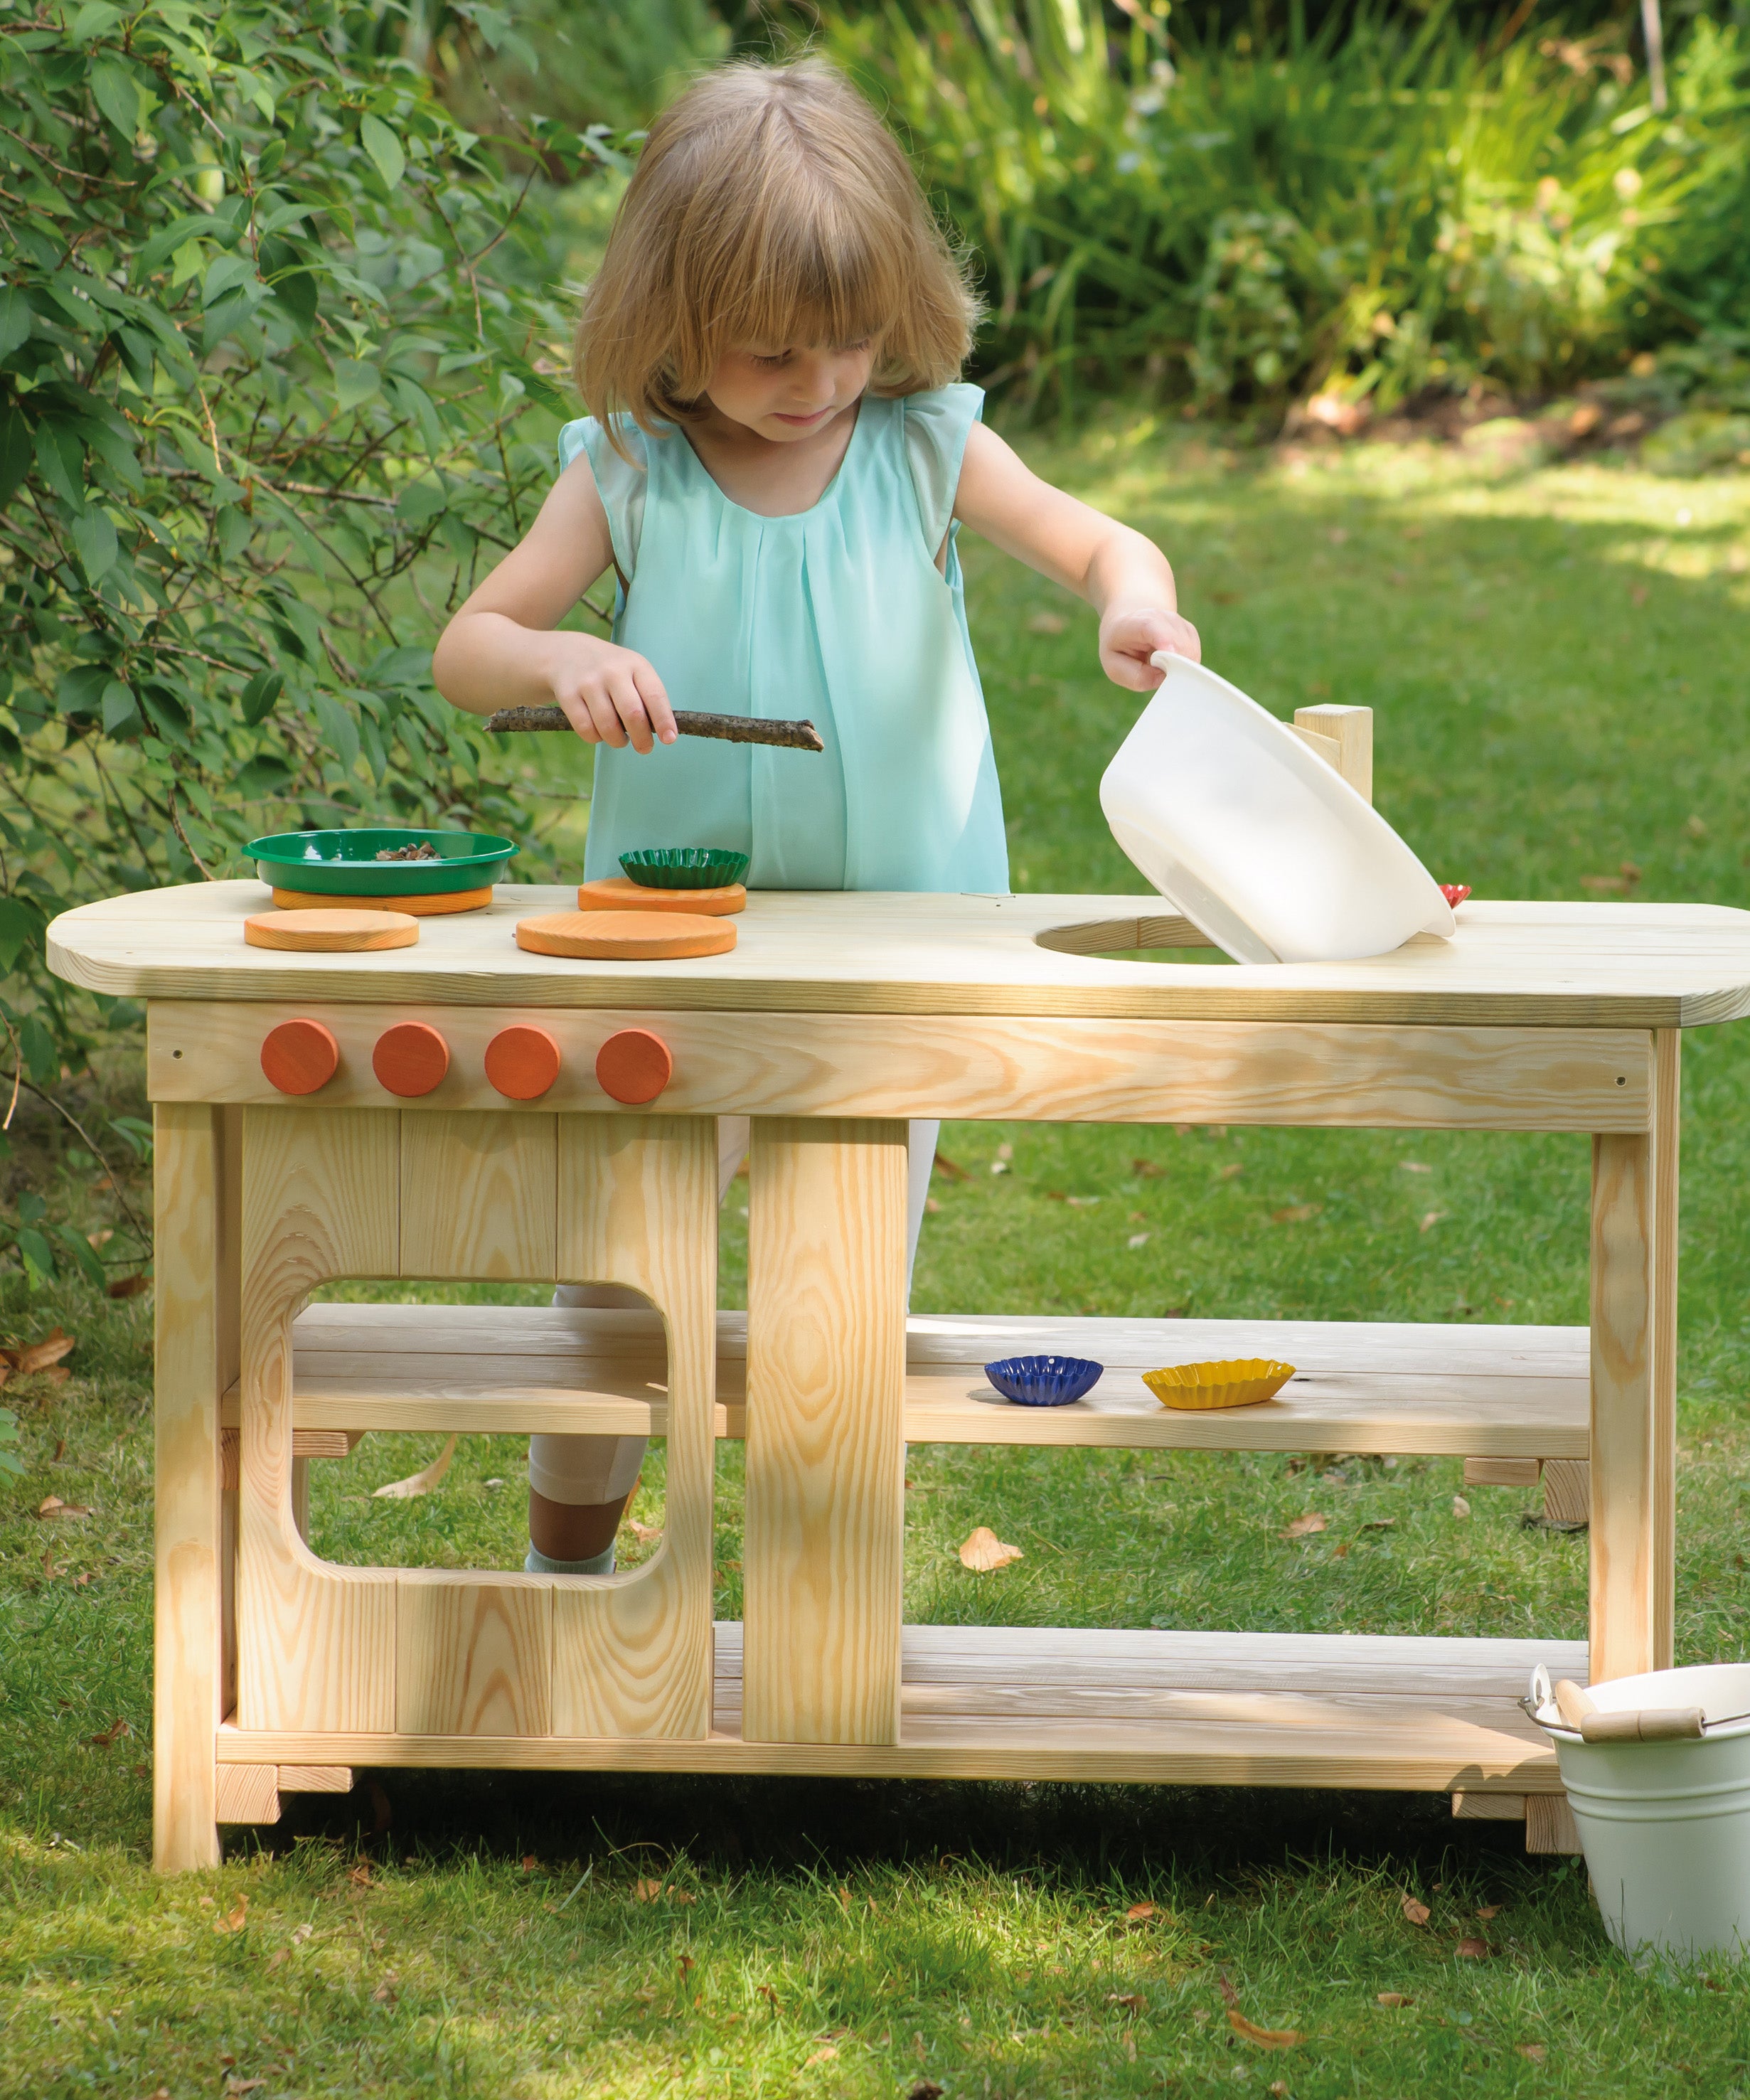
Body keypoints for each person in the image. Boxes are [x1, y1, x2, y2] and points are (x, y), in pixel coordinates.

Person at [434, 55, 1200, 1577]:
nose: (819, 381)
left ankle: (813, 1612)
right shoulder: (631, 475)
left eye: (848, 338)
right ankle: (561, 1577)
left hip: (897, 954)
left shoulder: (923, 448)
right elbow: (469, 647)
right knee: (613, 1275)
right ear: (673, 325)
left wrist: (1138, 602)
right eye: (773, 350)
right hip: (678, 955)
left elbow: (1096, 538)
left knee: (843, 1295)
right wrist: (563, 649)